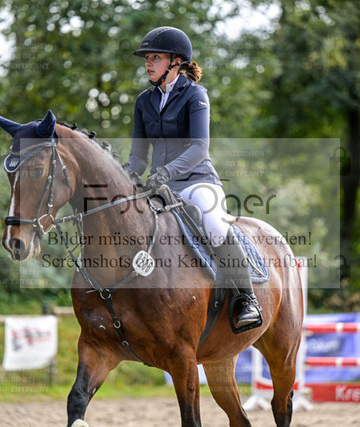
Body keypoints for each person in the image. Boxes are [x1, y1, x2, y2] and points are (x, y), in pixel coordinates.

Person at [126, 26, 262, 330]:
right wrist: (124, 177)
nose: (148, 63)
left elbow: (200, 147)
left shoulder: (195, 95)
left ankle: (247, 299)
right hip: (160, 189)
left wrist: (166, 172)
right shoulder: (144, 101)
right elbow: (138, 156)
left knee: (214, 225)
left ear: (176, 61)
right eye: (147, 58)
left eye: (155, 57)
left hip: (197, 182)